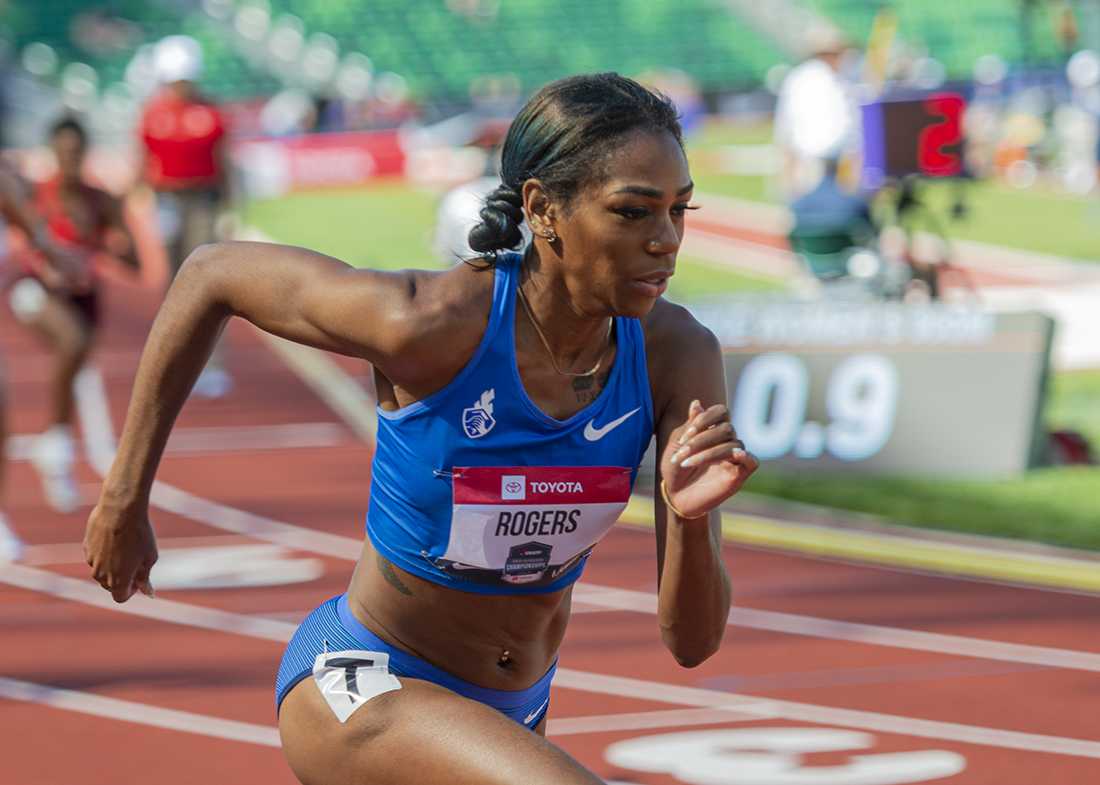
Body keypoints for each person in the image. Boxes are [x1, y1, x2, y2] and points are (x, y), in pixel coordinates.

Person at [84, 73, 759, 785]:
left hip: (515, 707)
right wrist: (124, 498)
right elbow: (212, 272)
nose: (666, 241)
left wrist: (685, 517)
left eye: (680, 210)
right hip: (367, 680)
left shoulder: (676, 354)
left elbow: (692, 644)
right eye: (633, 212)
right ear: (544, 209)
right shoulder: (430, 324)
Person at [8, 117, 137, 513]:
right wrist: (50, 258)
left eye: (76, 152)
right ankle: (57, 444)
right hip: (33, 290)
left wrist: (102, 248)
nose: (70, 159)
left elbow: (133, 260)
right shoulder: (33, 194)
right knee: (73, 341)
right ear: (53, 152)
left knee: (78, 352)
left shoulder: (101, 200)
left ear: (85, 152)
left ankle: (56, 446)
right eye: (63, 152)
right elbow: (26, 230)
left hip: (83, 299)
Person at [136, 34, 233, 397]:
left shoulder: (209, 112)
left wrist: (227, 207)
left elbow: (224, 163)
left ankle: (213, 364)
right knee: (172, 286)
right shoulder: (153, 113)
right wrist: (143, 201)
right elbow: (142, 160)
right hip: (167, 201)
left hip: (202, 201)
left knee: (210, 285)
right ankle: (172, 365)